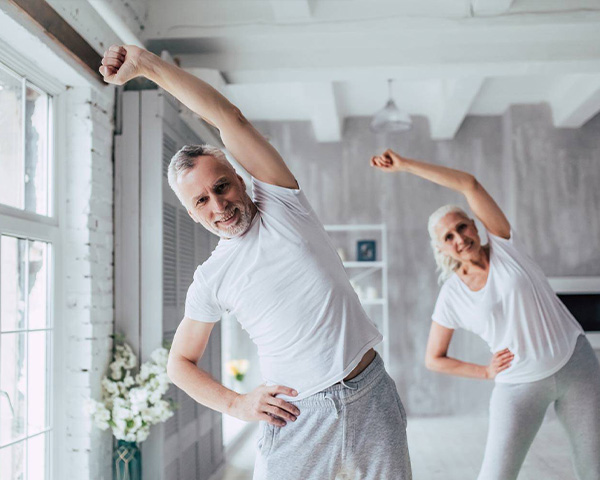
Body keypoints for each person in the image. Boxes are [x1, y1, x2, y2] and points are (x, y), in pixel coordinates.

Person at [100, 46, 412, 480]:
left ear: (241, 180)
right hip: (297, 415)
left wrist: (148, 66)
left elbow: (231, 119)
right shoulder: (211, 278)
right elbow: (179, 364)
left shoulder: (284, 205)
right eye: (201, 201)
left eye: (222, 186)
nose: (219, 204)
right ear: (193, 214)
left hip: (370, 393)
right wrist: (237, 404)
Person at [370, 149, 600, 480]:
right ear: (441, 248)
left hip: (577, 366)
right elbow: (434, 358)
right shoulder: (451, 295)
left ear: (476, 227)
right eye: (448, 237)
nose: (460, 238)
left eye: (462, 227)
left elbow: (469, 183)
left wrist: (405, 165)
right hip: (518, 385)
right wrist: (486, 371)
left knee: (593, 469)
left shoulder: (506, 247)